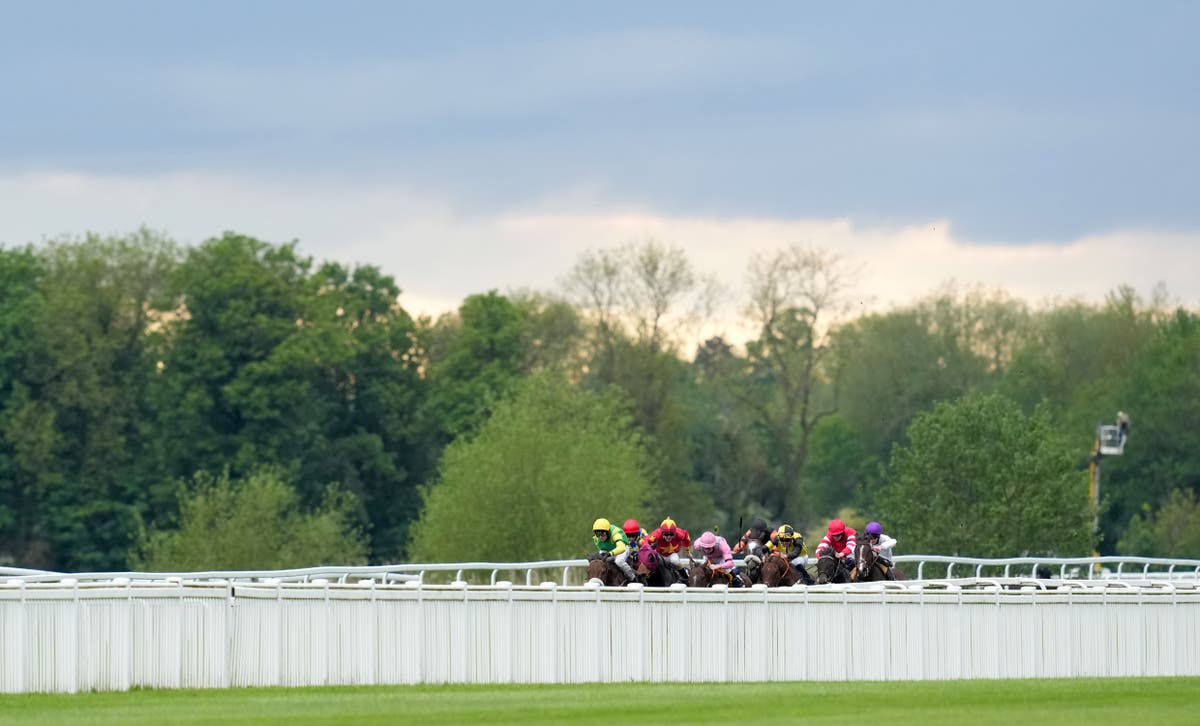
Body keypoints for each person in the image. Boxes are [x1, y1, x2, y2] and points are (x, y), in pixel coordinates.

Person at [592, 517, 637, 582]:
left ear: (608, 532)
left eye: (603, 533)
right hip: (608, 550)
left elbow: (621, 548)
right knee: (599, 561)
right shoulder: (596, 538)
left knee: (619, 561)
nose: (601, 536)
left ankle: (633, 577)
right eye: (598, 534)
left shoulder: (615, 533)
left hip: (621, 549)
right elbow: (601, 549)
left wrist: (610, 553)